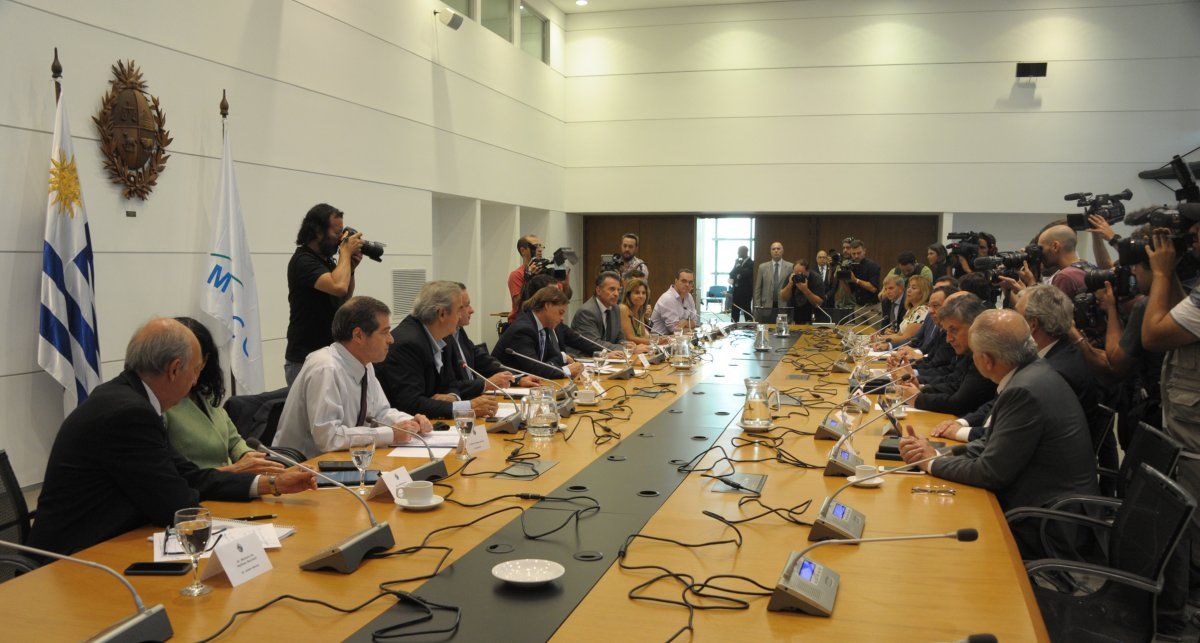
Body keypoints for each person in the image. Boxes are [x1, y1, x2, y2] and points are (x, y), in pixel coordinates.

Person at [29, 318, 317, 556]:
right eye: (194, 371)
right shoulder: (128, 414)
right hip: (71, 560)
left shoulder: (130, 399)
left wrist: (273, 483)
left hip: (109, 543)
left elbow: (190, 476)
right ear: (174, 369)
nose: (195, 382)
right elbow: (176, 504)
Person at [899, 309, 1097, 555]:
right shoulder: (1032, 373)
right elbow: (990, 443)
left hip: (1048, 523)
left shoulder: (1024, 391)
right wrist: (935, 453)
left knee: (938, 530)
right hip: (1041, 504)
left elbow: (990, 472)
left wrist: (931, 462)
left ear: (987, 360)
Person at [933, 285, 1101, 445]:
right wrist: (963, 422)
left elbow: (1010, 434)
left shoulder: (1057, 370)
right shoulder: (1045, 355)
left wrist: (958, 432)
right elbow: (1000, 402)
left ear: (1032, 324)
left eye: (1016, 315)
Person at [273, 296, 433, 459]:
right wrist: (390, 434)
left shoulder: (364, 363)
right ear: (358, 335)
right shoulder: (325, 368)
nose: (391, 339)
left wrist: (410, 422)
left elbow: (380, 412)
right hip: (304, 468)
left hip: (344, 460)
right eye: (385, 332)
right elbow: (329, 438)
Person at [1141, 224, 1200, 614]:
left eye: (1196, 233)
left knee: (1192, 537)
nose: (1192, 241)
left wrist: (1161, 274)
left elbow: (1154, 336)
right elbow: (1180, 316)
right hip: (1185, 427)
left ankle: (1184, 610)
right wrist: (1174, 272)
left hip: (1195, 439)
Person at [165, 318, 284, 474]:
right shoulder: (164, 404)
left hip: (229, 485)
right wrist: (235, 470)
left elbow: (234, 441)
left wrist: (250, 457)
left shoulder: (204, 394)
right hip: (201, 490)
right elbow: (176, 474)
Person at [376, 281, 499, 420]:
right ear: (441, 314)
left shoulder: (445, 337)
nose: (460, 316)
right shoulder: (407, 344)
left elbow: (451, 383)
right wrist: (466, 407)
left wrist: (452, 397)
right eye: (459, 310)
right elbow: (410, 403)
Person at [285, 203, 362, 385]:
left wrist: (350, 268)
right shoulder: (303, 261)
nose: (340, 240)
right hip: (304, 359)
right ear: (318, 232)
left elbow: (343, 298)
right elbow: (338, 286)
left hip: (327, 354)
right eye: (337, 234)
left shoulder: (326, 261)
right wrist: (345, 251)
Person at [895, 294, 997, 416]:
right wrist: (920, 387)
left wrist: (917, 398)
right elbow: (955, 383)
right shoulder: (968, 351)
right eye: (947, 331)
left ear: (974, 326)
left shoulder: (985, 355)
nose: (948, 339)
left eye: (954, 330)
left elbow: (960, 403)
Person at [443, 283, 540, 399]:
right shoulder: (443, 339)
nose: (472, 310)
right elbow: (449, 386)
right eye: (466, 305)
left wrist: (516, 379)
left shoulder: (459, 332)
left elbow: (482, 360)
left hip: (474, 399)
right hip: (462, 403)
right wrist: (485, 384)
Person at [493, 286, 591, 380]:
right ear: (547, 305)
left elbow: (551, 359)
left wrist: (563, 359)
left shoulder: (543, 326)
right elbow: (535, 369)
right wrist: (567, 370)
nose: (562, 318)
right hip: (504, 389)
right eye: (560, 312)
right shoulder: (523, 329)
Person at [571, 271, 646, 354]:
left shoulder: (615, 308)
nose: (616, 294)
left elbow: (619, 337)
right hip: (584, 359)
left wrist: (627, 344)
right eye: (612, 289)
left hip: (608, 359)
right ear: (598, 290)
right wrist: (627, 350)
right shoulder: (587, 312)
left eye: (618, 290)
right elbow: (595, 344)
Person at [1035, 225, 1095, 299]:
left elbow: (1050, 310)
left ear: (1055, 246)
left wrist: (1031, 285)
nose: (1040, 253)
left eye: (1041, 248)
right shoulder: (1090, 267)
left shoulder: (1064, 277)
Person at [876, 275, 931, 347]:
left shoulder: (922, 311)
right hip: (901, 348)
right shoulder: (910, 309)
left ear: (923, 292)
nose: (908, 290)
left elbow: (907, 338)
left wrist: (881, 339)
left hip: (911, 350)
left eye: (913, 288)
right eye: (908, 287)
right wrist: (887, 336)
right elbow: (899, 334)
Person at [650, 269, 700, 334]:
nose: (687, 285)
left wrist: (685, 322)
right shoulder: (668, 298)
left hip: (676, 339)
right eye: (684, 281)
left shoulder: (689, 296)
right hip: (660, 339)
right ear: (676, 281)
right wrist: (690, 325)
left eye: (690, 282)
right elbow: (674, 329)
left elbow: (696, 322)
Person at [753, 242, 793, 322]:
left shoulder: (790, 266)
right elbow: (758, 288)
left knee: (782, 331)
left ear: (782, 251)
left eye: (778, 249)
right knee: (767, 331)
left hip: (783, 305)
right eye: (773, 249)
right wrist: (758, 307)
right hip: (766, 306)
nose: (776, 251)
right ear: (770, 251)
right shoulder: (762, 267)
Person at [778, 258, 826, 324]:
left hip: (812, 316)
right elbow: (783, 298)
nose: (798, 276)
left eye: (801, 274)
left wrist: (805, 290)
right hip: (793, 316)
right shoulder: (791, 277)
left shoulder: (816, 278)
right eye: (796, 273)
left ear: (808, 271)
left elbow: (819, 303)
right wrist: (790, 284)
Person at [620, 277, 658, 346]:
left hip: (638, 350)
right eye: (637, 293)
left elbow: (643, 336)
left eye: (643, 293)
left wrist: (659, 339)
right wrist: (654, 342)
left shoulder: (640, 310)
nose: (641, 296)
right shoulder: (623, 308)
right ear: (628, 295)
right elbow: (630, 338)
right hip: (624, 351)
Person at [845, 239, 881, 306]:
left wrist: (856, 280)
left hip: (872, 306)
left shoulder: (873, 266)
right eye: (853, 254)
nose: (856, 256)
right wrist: (843, 281)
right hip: (858, 305)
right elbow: (850, 292)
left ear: (864, 251)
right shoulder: (851, 266)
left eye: (859, 253)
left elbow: (873, 289)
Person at [728, 246, 755, 322]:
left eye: (739, 252)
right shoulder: (738, 262)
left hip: (746, 292)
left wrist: (739, 267)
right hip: (736, 291)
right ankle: (733, 327)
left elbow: (746, 273)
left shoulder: (751, 263)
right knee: (734, 313)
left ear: (745, 252)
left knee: (747, 312)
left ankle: (749, 330)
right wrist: (735, 274)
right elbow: (732, 273)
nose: (738, 253)